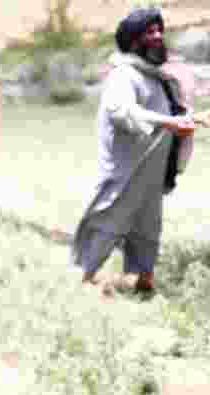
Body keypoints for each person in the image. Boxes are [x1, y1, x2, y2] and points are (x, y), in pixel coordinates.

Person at [73, 7, 195, 295]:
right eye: (150, 32)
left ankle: (141, 280)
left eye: (159, 30)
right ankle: (84, 279)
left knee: (148, 229)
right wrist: (169, 122)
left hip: (152, 172)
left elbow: (166, 112)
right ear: (133, 40)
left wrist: (188, 118)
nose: (158, 36)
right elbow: (121, 111)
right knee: (109, 222)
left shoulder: (154, 77)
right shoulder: (124, 75)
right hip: (127, 171)